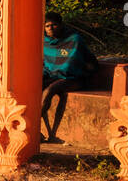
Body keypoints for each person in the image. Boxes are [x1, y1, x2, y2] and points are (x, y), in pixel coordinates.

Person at [41, 12, 97, 143]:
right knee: (36, 86)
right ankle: (43, 132)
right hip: (54, 75)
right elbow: (46, 64)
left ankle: (32, 127)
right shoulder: (45, 42)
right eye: (47, 26)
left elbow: (83, 62)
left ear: (61, 25)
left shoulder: (74, 39)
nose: (51, 28)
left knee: (50, 89)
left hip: (75, 78)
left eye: (54, 25)